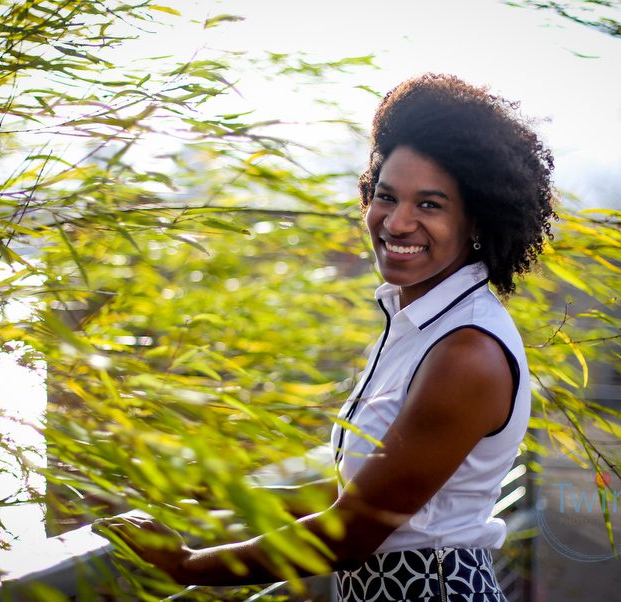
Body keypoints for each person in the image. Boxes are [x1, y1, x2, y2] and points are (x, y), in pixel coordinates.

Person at [95, 73, 555, 601]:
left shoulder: (466, 351)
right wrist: (222, 504)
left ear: (477, 219)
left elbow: (354, 531)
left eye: (429, 204)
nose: (397, 222)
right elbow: (357, 489)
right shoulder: (417, 324)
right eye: (386, 196)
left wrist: (186, 564)